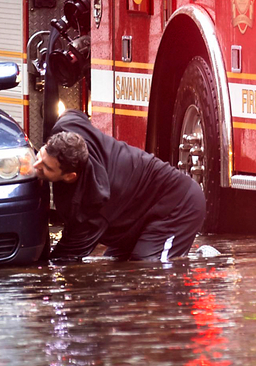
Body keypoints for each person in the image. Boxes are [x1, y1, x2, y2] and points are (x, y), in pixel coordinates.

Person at [33, 110, 205, 262]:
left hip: (180, 204)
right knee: (112, 263)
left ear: (71, 176)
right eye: (41, 154)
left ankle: (203, 257)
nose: (36, 165)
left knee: (148, 268)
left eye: (47, 167)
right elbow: (71, 113)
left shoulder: (92, 205)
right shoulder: (68, 125)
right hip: (137, 214)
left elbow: (67, 256)